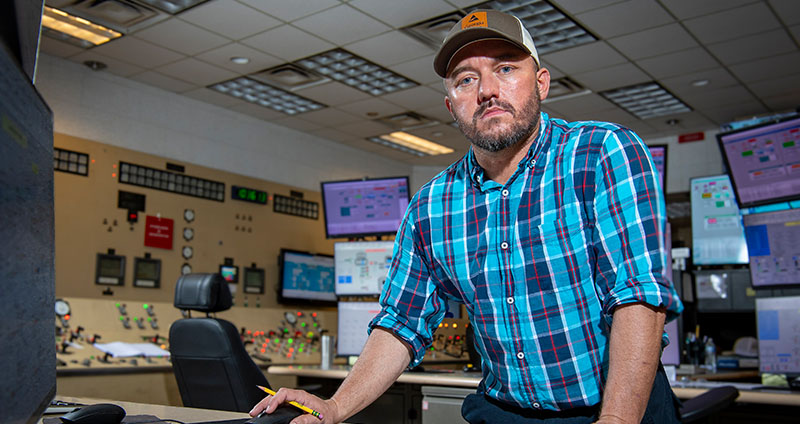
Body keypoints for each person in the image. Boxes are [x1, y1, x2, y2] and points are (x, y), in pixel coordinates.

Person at [251, 9, 683, 424]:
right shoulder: (430, 207)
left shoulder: (602, 153)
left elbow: (638, 296)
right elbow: (401, 322)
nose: (487, 90)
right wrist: (336, 407)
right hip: (506, 413)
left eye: (507, 69)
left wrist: (617, 419)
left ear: (542, 82)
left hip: (620, 406)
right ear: (451, 105)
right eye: (466, 79)